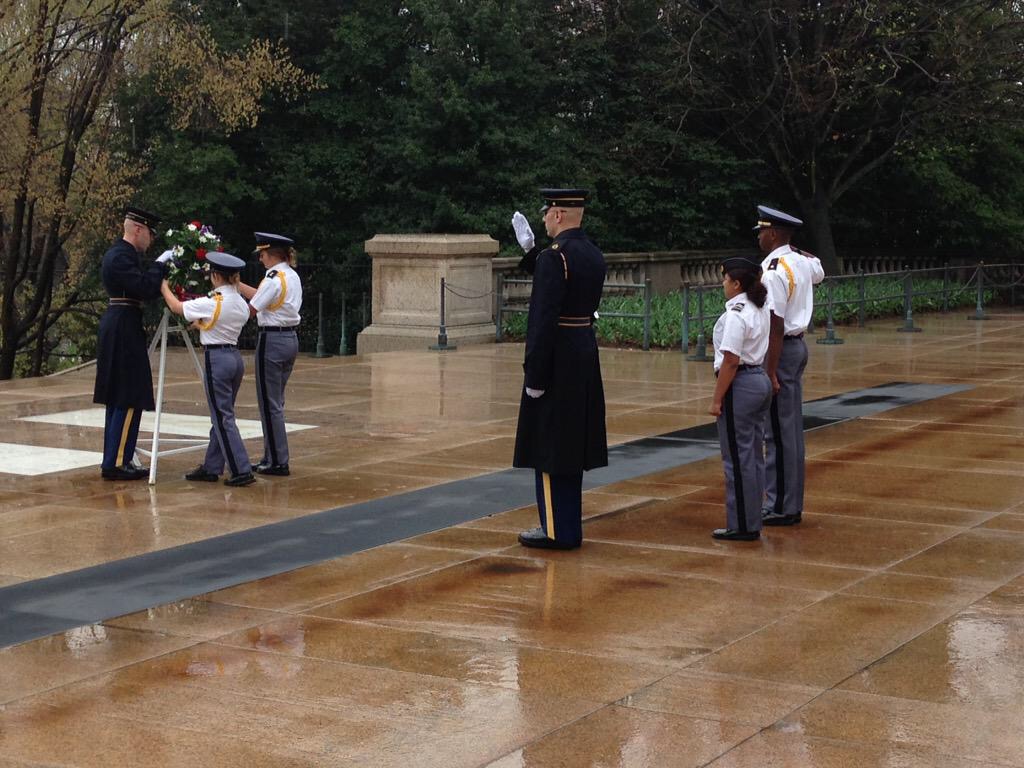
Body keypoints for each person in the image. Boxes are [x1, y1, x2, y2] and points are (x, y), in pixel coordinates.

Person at [511, 188, 608, 550]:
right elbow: (565, 285)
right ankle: (567, 526)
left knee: (550, 445)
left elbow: (542, 319)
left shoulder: (556, 257)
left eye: (546, 213)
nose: (544, 220)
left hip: (558, 358)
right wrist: (532, 253)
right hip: (583, 351)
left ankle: (555, 530)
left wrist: (535, 374)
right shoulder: (591, 253)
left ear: (557, 215)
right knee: (571, 445)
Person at [93, 206, 175, 481]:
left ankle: (118, 458)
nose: (151, 240)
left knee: (122, 395)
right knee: (127, 394)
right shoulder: (121, 256)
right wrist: (159, 265)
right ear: (138, 229)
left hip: (123, 323)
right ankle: (116, 462)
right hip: (123, 327)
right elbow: (143, 288)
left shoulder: (124, 254)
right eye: (150, 234)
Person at [160, 251, 255, 486]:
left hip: (217, 359)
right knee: (221, 414)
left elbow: (176, 306)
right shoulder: (239, 303)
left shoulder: (213, 302)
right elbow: (223, 321)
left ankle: (241, 469)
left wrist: (163, 286)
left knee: (223, 417)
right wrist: (204, 323)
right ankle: (212, 466)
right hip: (234, 357)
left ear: (216, 276)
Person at [755, 205, 825, 526]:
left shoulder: (773, 271)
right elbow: (819, 268)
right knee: (790, 430)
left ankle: (780, 505)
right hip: (797, 348)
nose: (758, 236)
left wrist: (769, 372)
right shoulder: (800, 261)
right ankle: (789, 502)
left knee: (778, 434)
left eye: (762, 231)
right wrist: (793, 246)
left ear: (773, 234)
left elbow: (775, 325)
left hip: (780, 352)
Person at [709, 257, 773, 541]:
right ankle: (752, 519)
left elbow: (731, 360)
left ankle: (742, 525)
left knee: (737, 459)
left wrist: (716, 399)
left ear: (736, 284)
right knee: (753, 456)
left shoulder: (737, 313)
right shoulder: (759, 307)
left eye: (725, 280)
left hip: (741, 384)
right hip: (758, 378)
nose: (722, 284)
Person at [237, 232, 303, 476]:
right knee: (276, 401)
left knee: (269, 404)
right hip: (289, 339)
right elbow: (262, 297)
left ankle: (277, 460)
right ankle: (272, 456)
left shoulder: (272, 279)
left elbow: (251, 310)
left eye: (262, 254)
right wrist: (236, 285)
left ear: (272, 254)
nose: (260, 259)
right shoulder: (290, 276)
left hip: (272, 341)